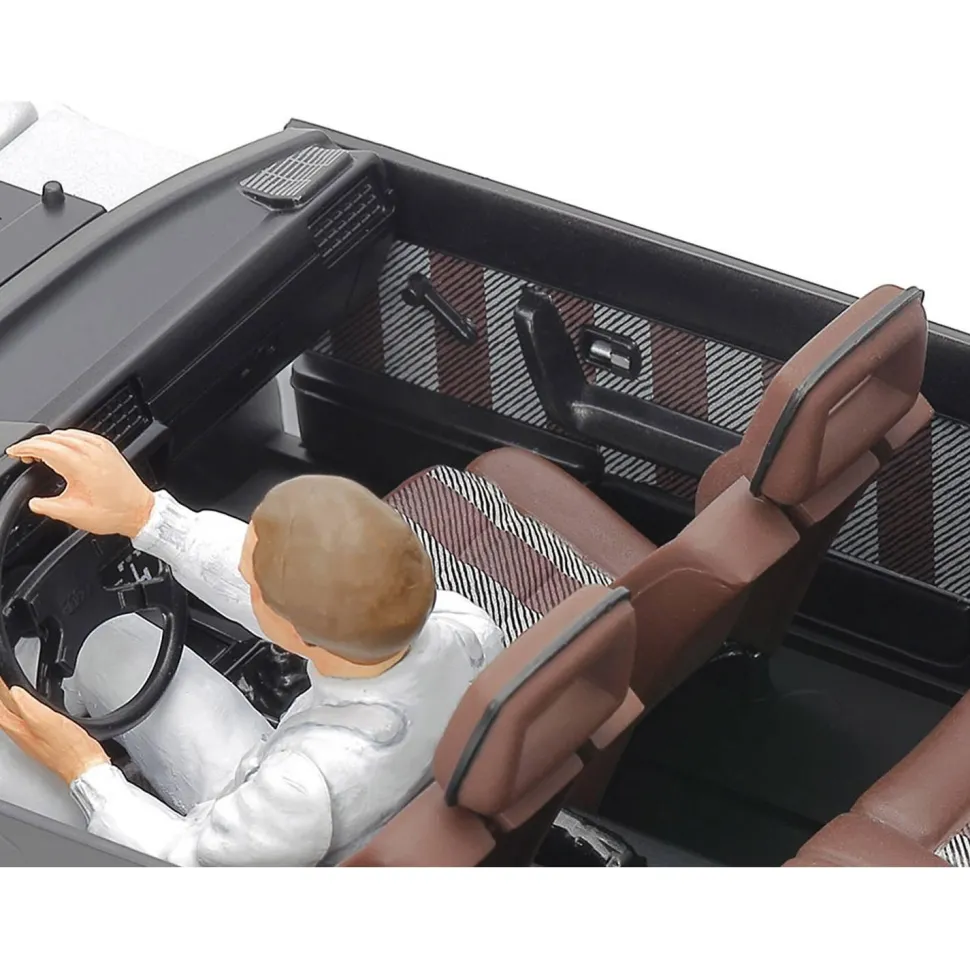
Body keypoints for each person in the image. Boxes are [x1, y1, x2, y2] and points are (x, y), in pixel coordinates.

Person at [0, 429, 505, 865]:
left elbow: (183, 865)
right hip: (303, 810)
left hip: (243, 855)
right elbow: (284, 590)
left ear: (298, 636)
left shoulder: (298, 787)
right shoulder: (470, 631)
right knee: (110, 644)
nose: (243, 572)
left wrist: (84, 770)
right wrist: (148, 516)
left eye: (252, 580)